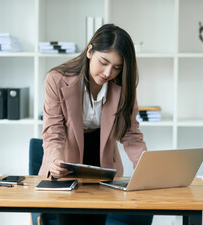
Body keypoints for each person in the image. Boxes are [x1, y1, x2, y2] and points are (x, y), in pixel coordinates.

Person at [39, 24, 153, 225]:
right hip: (67, 159)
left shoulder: (123, 87)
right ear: (90, 51)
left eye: (117, 67)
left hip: (102, 162)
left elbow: (131, 133)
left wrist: (146, 166)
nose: (108, 72)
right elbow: (53, 132)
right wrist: (55, 161)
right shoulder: (56, 79)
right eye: (104, 62)